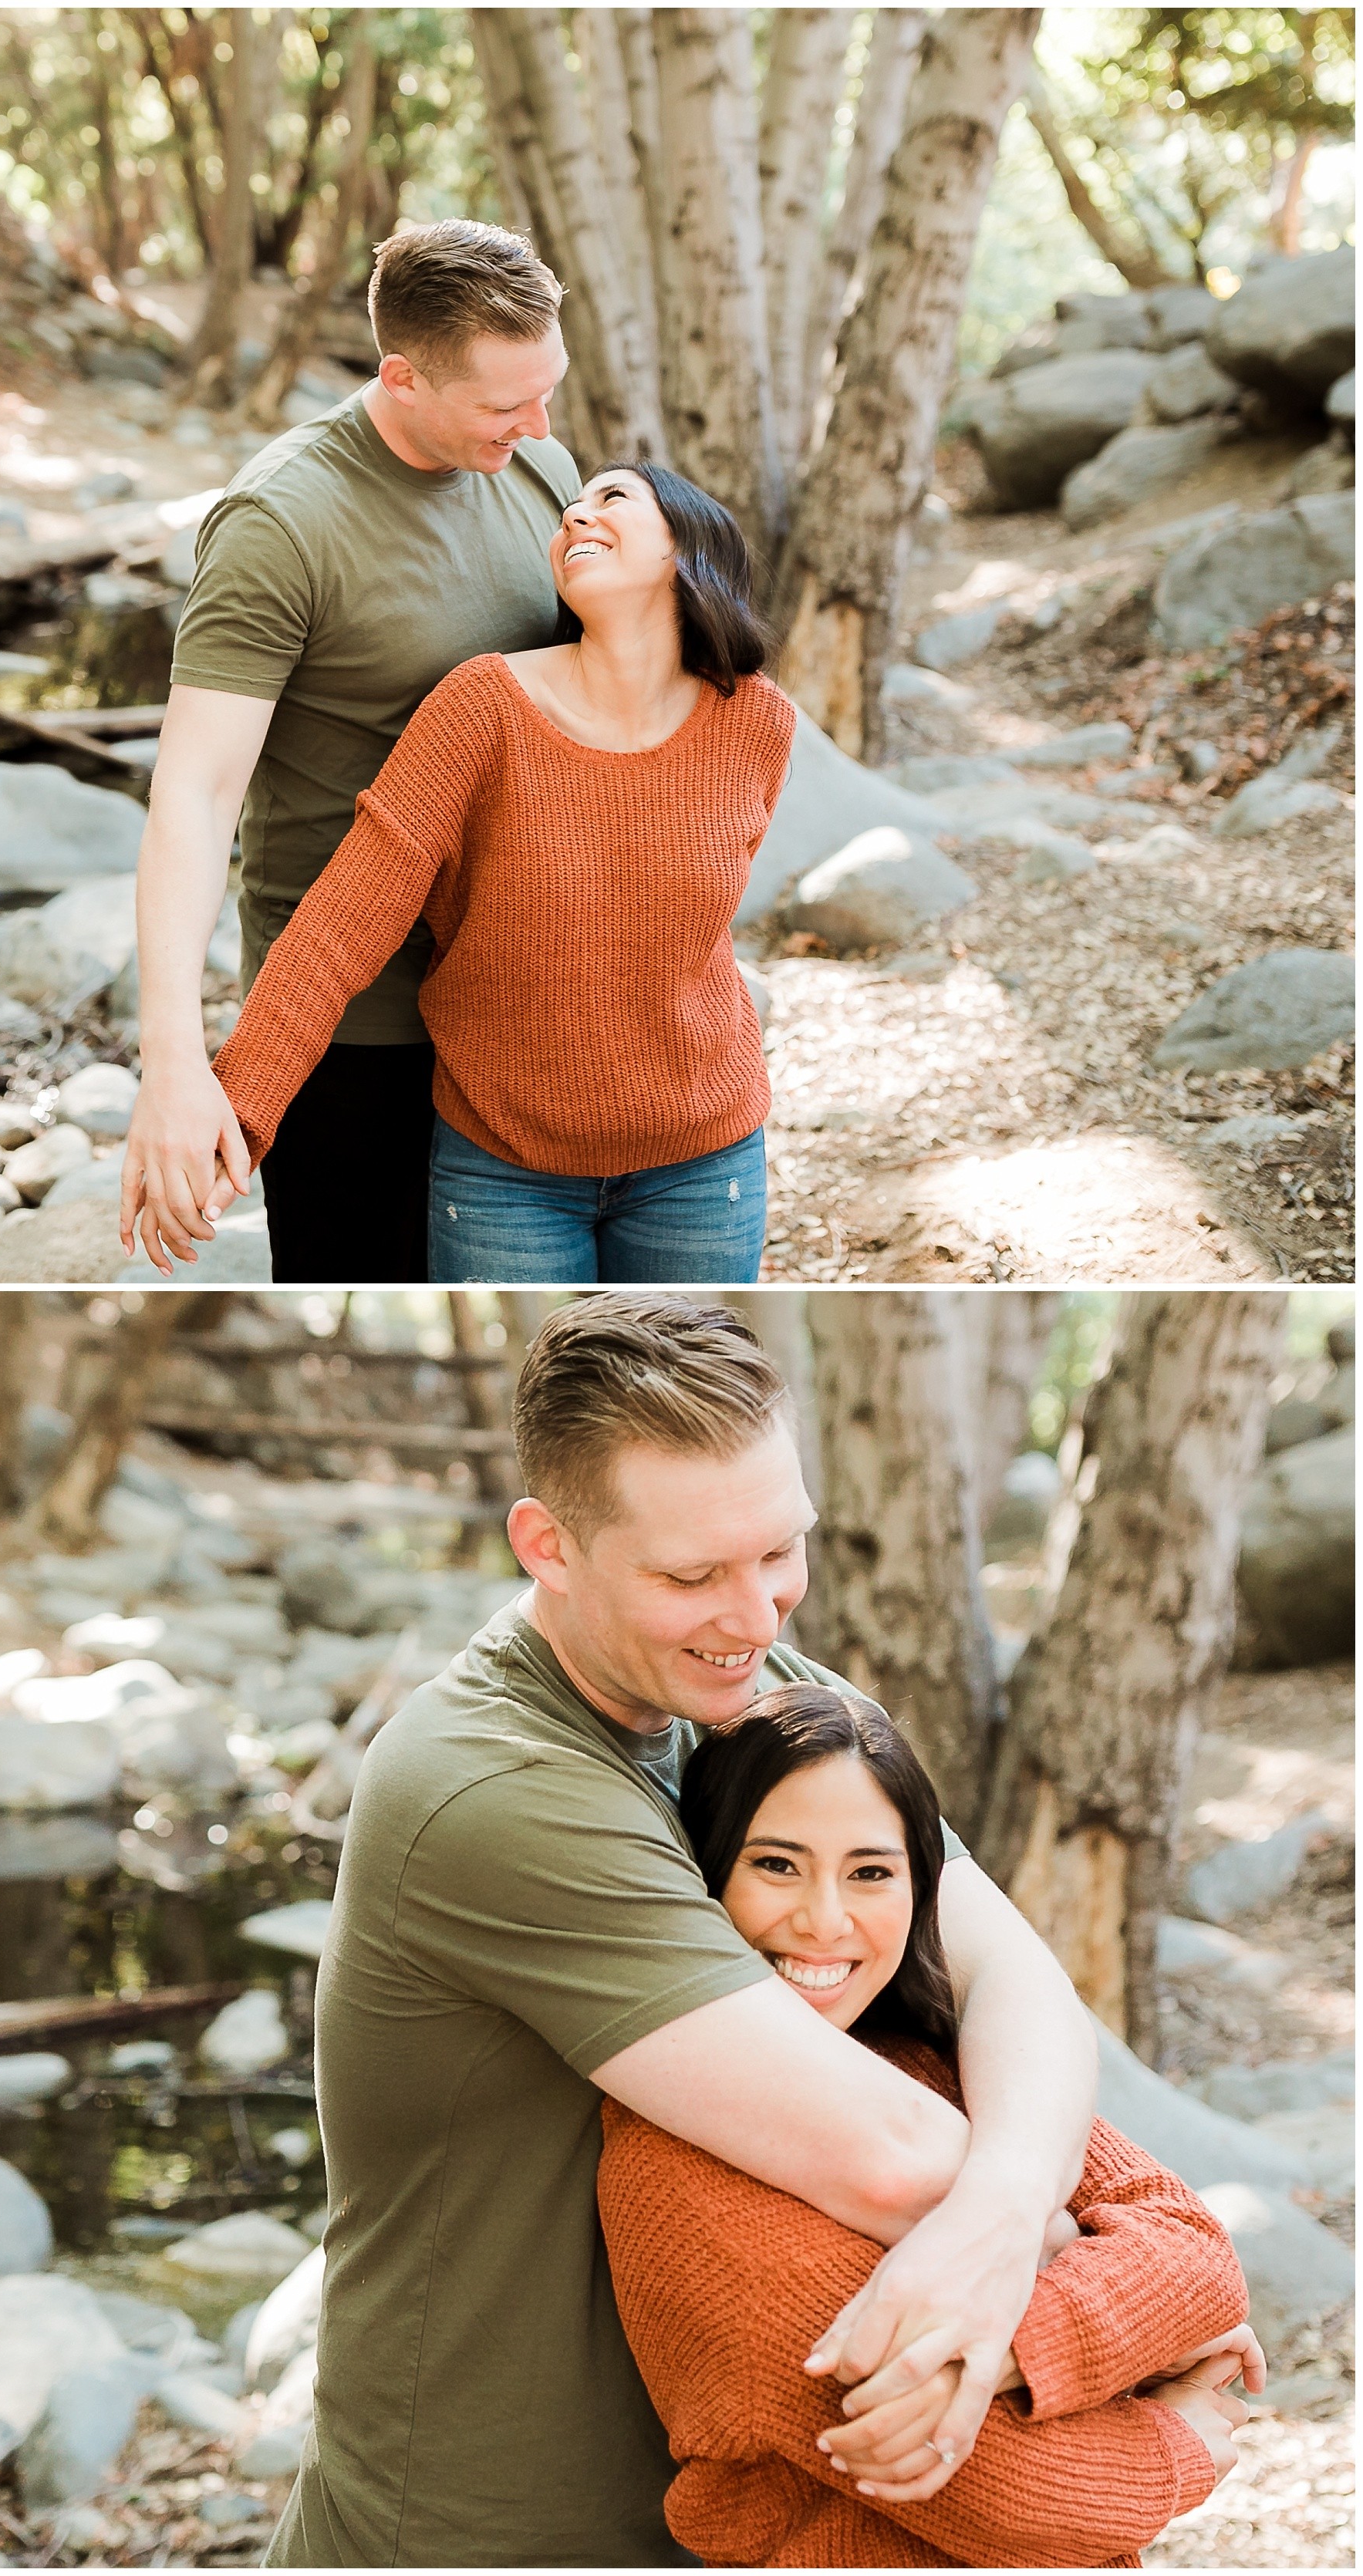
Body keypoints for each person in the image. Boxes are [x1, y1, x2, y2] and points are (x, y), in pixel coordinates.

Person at [266, 1294, 1101, 2569]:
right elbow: (887, 2159)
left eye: (781, 1551)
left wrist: (994, 2224)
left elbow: (1022, 1981)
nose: (760, 1618)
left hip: (720, 2517)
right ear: (548, 1545)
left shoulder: (776, 1700)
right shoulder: (490, 1788)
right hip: (478, 2537)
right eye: (692, 1575)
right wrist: (1125, 2281)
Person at [600, 1686, 1257, 2568]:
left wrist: (1003, 2348)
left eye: (869, 1871)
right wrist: (1179, 2434)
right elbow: (1012, 2497)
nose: (824, 1921)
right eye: (776, 1865)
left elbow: (1192, 2248)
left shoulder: (932, 2051)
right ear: (708, 1874)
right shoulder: (685, 2180)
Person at [120, 219, 582, 1285]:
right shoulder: (282, 523)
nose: (540, 422)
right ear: (402, 378)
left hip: (518, 1007)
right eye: (505, 404)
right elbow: (194, 795)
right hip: (355, 1033)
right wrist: (174, 1066)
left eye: (546, 389)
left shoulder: (542, 467)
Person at [197, 461, 788, 1285]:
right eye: (570, 510)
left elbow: (690, 930)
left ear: (688, 547)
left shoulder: (757, 720)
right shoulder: (480, 706)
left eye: (612, 499)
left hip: (702, 1162)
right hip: (505, 1173)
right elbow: (343, 922)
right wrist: (234, 1109)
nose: (577, 516)